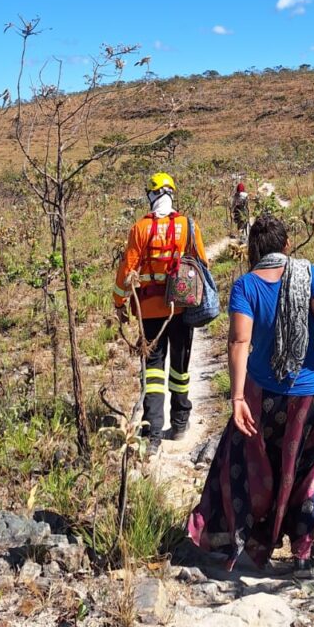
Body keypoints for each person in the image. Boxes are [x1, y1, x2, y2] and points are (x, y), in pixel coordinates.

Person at [187, 213, 314, 571]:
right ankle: (302, 550)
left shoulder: (246, 287)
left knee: (247, 464)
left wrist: (237, 399)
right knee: (309, 471)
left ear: (254, 250)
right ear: (286, 245)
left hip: (263, 397)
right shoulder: (308, 275)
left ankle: (248, 540)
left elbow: (238, 340)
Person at [112, 171, 208, 445]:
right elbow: (202, 263)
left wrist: (118, 303)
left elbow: (126, 271)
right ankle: (179, 424)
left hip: (149, 312)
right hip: (181, 311)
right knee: (180, 367)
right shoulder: (188, 225)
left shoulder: (140, 229)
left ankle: (152, 434)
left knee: (152, 370)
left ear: (152, 195)